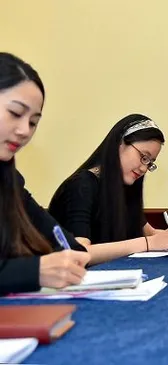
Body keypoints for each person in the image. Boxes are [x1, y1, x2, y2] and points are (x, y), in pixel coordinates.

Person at [48, 114, 168, 264]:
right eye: (143, 157)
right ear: (120, 143)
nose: (144, 168)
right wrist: (147, 243)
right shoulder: (82, 185)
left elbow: (150, 233)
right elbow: (80, 253)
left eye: (150, 162)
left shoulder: (125, 187)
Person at [0, 52, 90, 295]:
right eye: (16, 113)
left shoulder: (9, 180)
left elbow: (59, 238)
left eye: (33, 122)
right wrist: (33, 271)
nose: (24, 131)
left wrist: (74, 255)